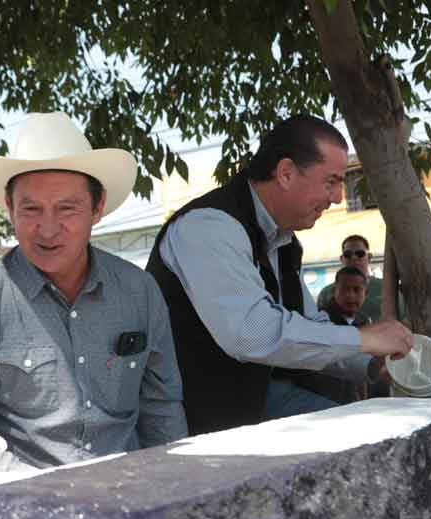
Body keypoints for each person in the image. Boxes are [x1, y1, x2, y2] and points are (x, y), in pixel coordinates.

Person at [0, 112, 188, 469]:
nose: (48, 229)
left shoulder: (140, 291)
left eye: (67, 208)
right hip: (23, 505)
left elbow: (162, 408)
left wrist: (173, 486)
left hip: (129, 496)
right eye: (31, 209)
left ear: (97, 208)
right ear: (10, 208)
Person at [146, 114, 413, 435]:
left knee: (374, 434)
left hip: (253, 402)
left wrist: (371, 361)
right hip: (191, 418)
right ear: (286, 173)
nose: (338, 198)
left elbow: (309, 328)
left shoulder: (284, 242)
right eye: (331, 181)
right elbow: (251, 333)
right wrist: (363, 339)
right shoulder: (207, 227)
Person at [314, 267, 375, 403]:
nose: (351, 295)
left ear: (366, 293)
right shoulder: (321, 320)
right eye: (345, 289)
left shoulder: (365, 322)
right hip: (323, 399)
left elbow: (363, 370)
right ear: (334, 291)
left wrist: (363, 402)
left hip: (353, 401)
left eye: (357, 290)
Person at [314, 234, 390, 321]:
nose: (354, 258)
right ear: (342, 259)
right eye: (348, 254)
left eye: (360, 254)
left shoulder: (387, 288)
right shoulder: (326, 293)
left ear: (369, 257)